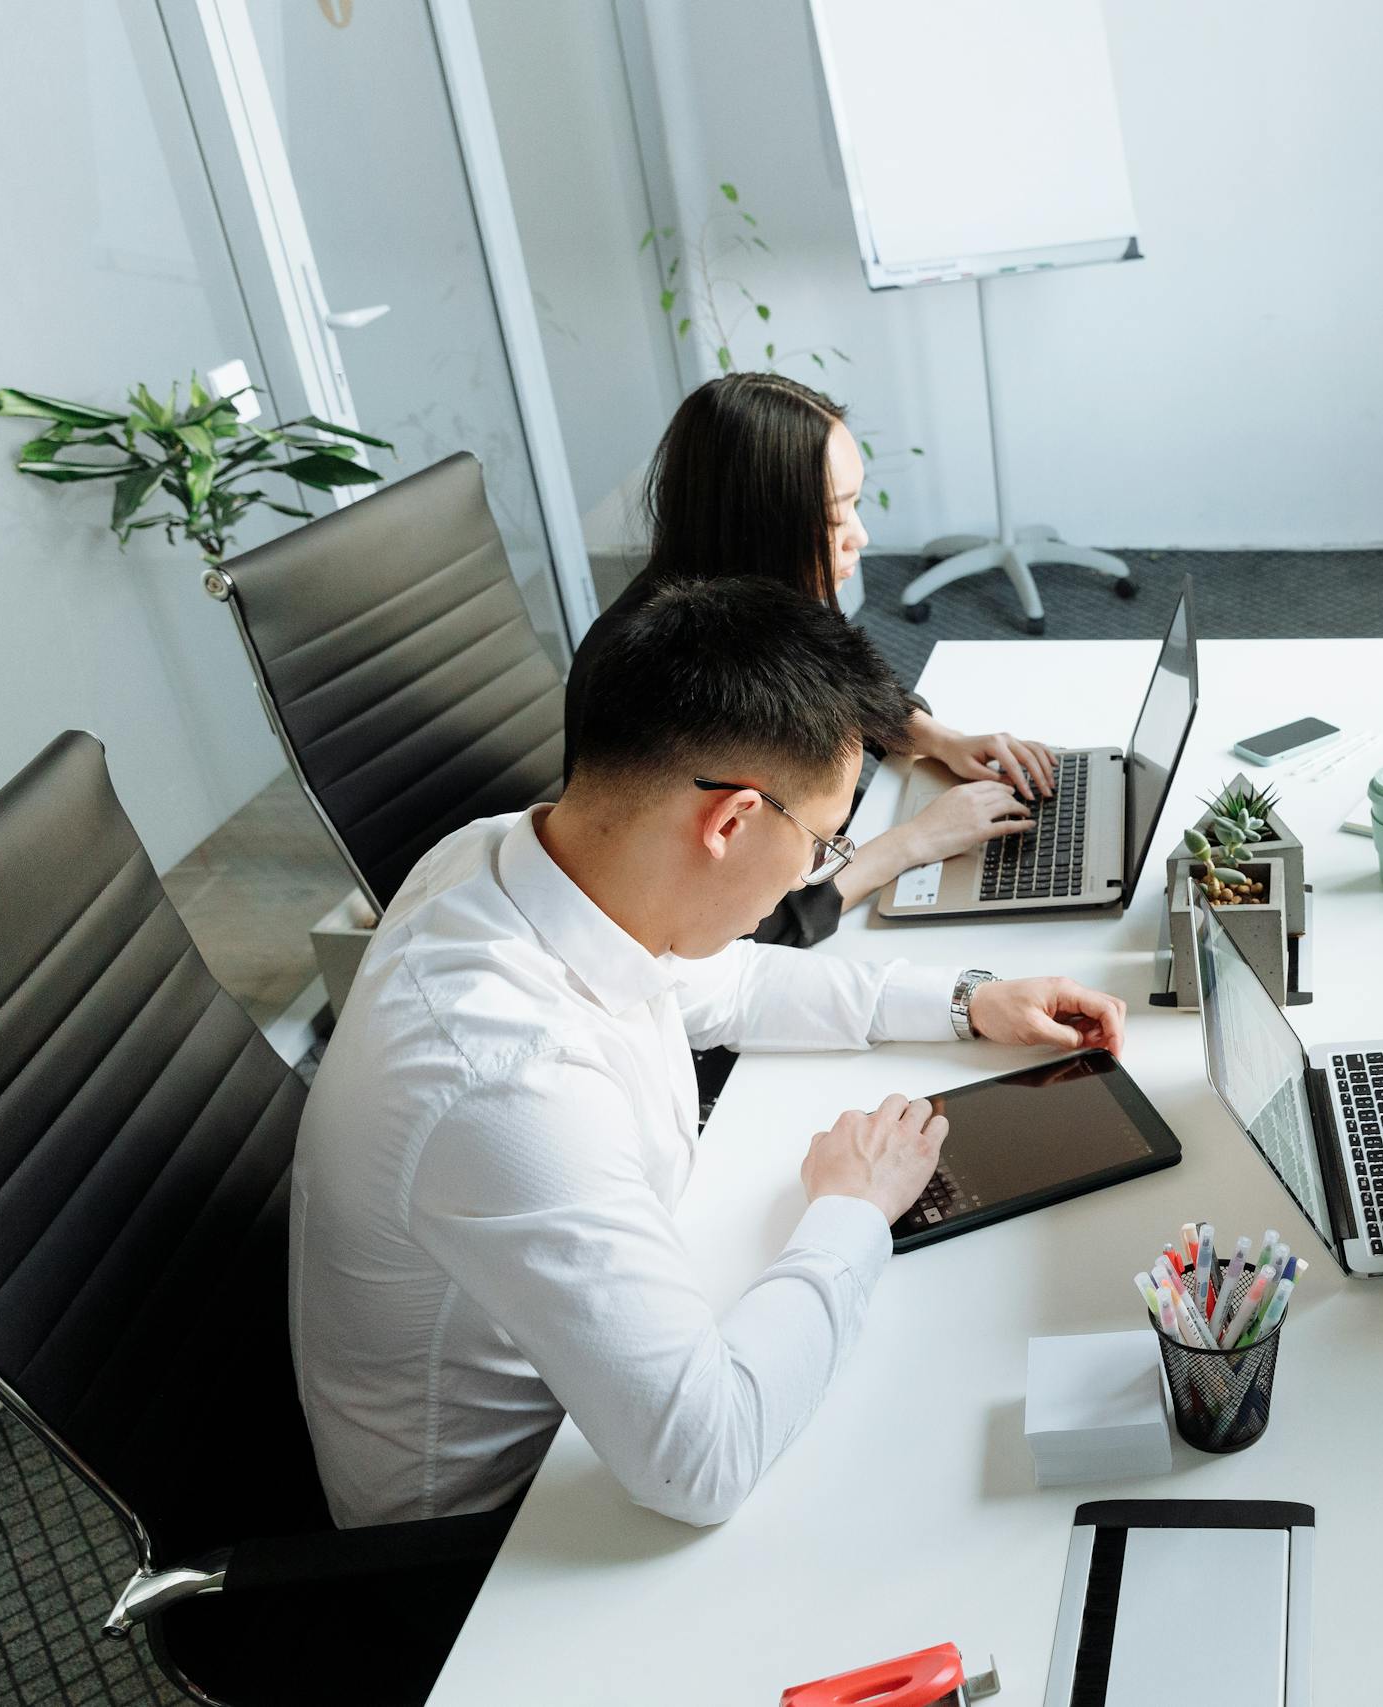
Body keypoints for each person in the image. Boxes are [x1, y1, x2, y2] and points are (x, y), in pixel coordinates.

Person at [293, 576, 1128, 1529]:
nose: (821, 868)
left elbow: (727, 984)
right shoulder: (505, 1084)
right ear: (729, 823)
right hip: (510, 1539)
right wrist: (854, 1212)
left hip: (599, 1384)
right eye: (825, 843)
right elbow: (704, 1459)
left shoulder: (506, 858)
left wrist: (970, 999)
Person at [564, 372, 1053, 946]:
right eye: (833, 515)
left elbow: (840, 689)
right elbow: (749, 930)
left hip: (813, 853)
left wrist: (941, 738)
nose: (860, 537)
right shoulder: (685, 677)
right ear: (762, 522)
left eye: (856, 505)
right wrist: (911, 844)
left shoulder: (753, 604)